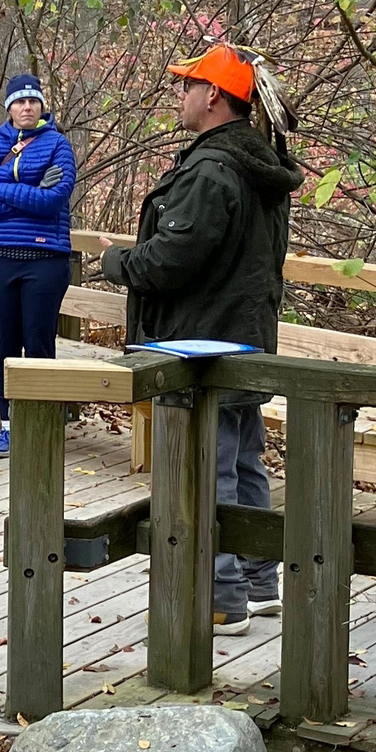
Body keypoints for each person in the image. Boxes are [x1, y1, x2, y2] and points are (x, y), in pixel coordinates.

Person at [98, 43, 302, 637]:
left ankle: (220, 596)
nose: (179, 96)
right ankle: (260, 584)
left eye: (187, 85)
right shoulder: (254, 163)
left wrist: (117, 261)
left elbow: (172, 259)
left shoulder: (214, 170)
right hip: (241, 338)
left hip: (201, 345)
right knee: (243, 460)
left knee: (205, 469)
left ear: (213, 95)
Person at [0, 74, 78, 458]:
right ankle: (9, 426)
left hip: (45, 258)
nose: (27, 107)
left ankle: (43, 426)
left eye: (33, 101)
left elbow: (55, 199)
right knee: (4, 346)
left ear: (42, 106)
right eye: (19, 101)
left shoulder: (58, 145)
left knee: (39, 343)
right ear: (9, 108)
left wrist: (3, 188)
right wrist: (30, 193)